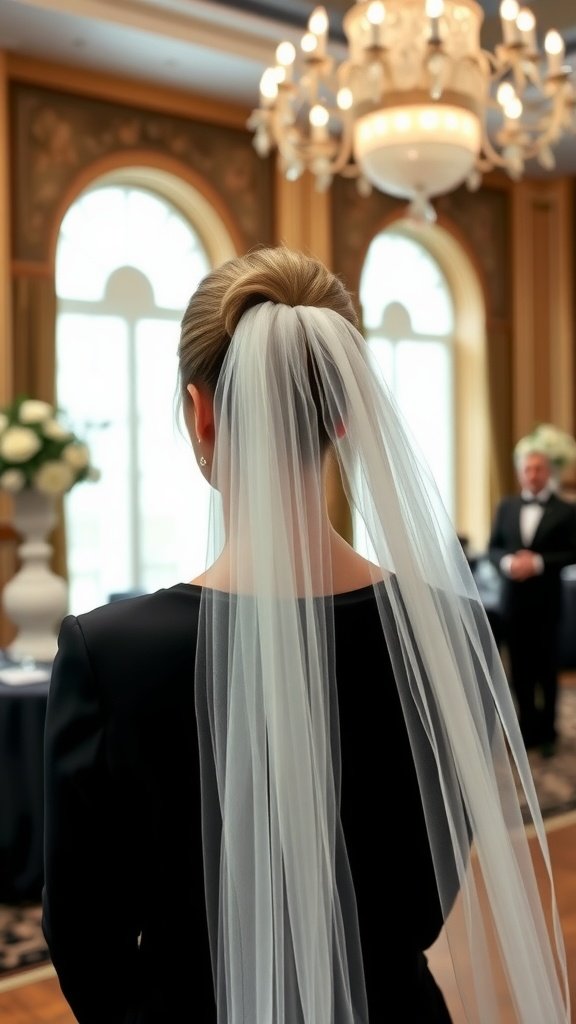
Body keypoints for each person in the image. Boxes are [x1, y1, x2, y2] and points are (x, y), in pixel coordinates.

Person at [43, 247, 570, 1023]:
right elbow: (433, 890)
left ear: (200, 411)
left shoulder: (108, 654)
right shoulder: (453, 632)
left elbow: (85, 940)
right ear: (343, 415)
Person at [488, 446, 576, 756]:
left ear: (548, 472)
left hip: (547, 602)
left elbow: (572, 552)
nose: (533, 474)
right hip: (513, 600)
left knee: (546, 670)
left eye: (538, 468)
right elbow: (493, 548)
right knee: (520, 670)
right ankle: (527, 730)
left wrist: (538, 563)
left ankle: (549, 732)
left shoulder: (566, 510)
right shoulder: (507, 507)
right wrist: (508, 563)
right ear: (520, 472)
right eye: (528, 468)